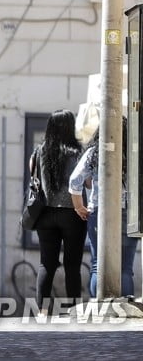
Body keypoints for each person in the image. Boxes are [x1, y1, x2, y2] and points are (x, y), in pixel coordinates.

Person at [69, 119, 140, 298]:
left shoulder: (94, 152)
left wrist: (79, 207)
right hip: (130, 213)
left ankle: (98, 306)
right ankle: (127, 308)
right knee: (126, 267)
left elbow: (74, 180)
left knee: (97, 264)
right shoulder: (135, 152)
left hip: (99, 212)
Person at [31, 109, 87, 309]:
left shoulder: (39, 151)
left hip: (44, 214)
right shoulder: (76, 152)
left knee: (46, 263)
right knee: (72, 265)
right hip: (72, 213)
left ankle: (42, 311)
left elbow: (33, 174)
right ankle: (73, 310)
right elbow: (86, 182)